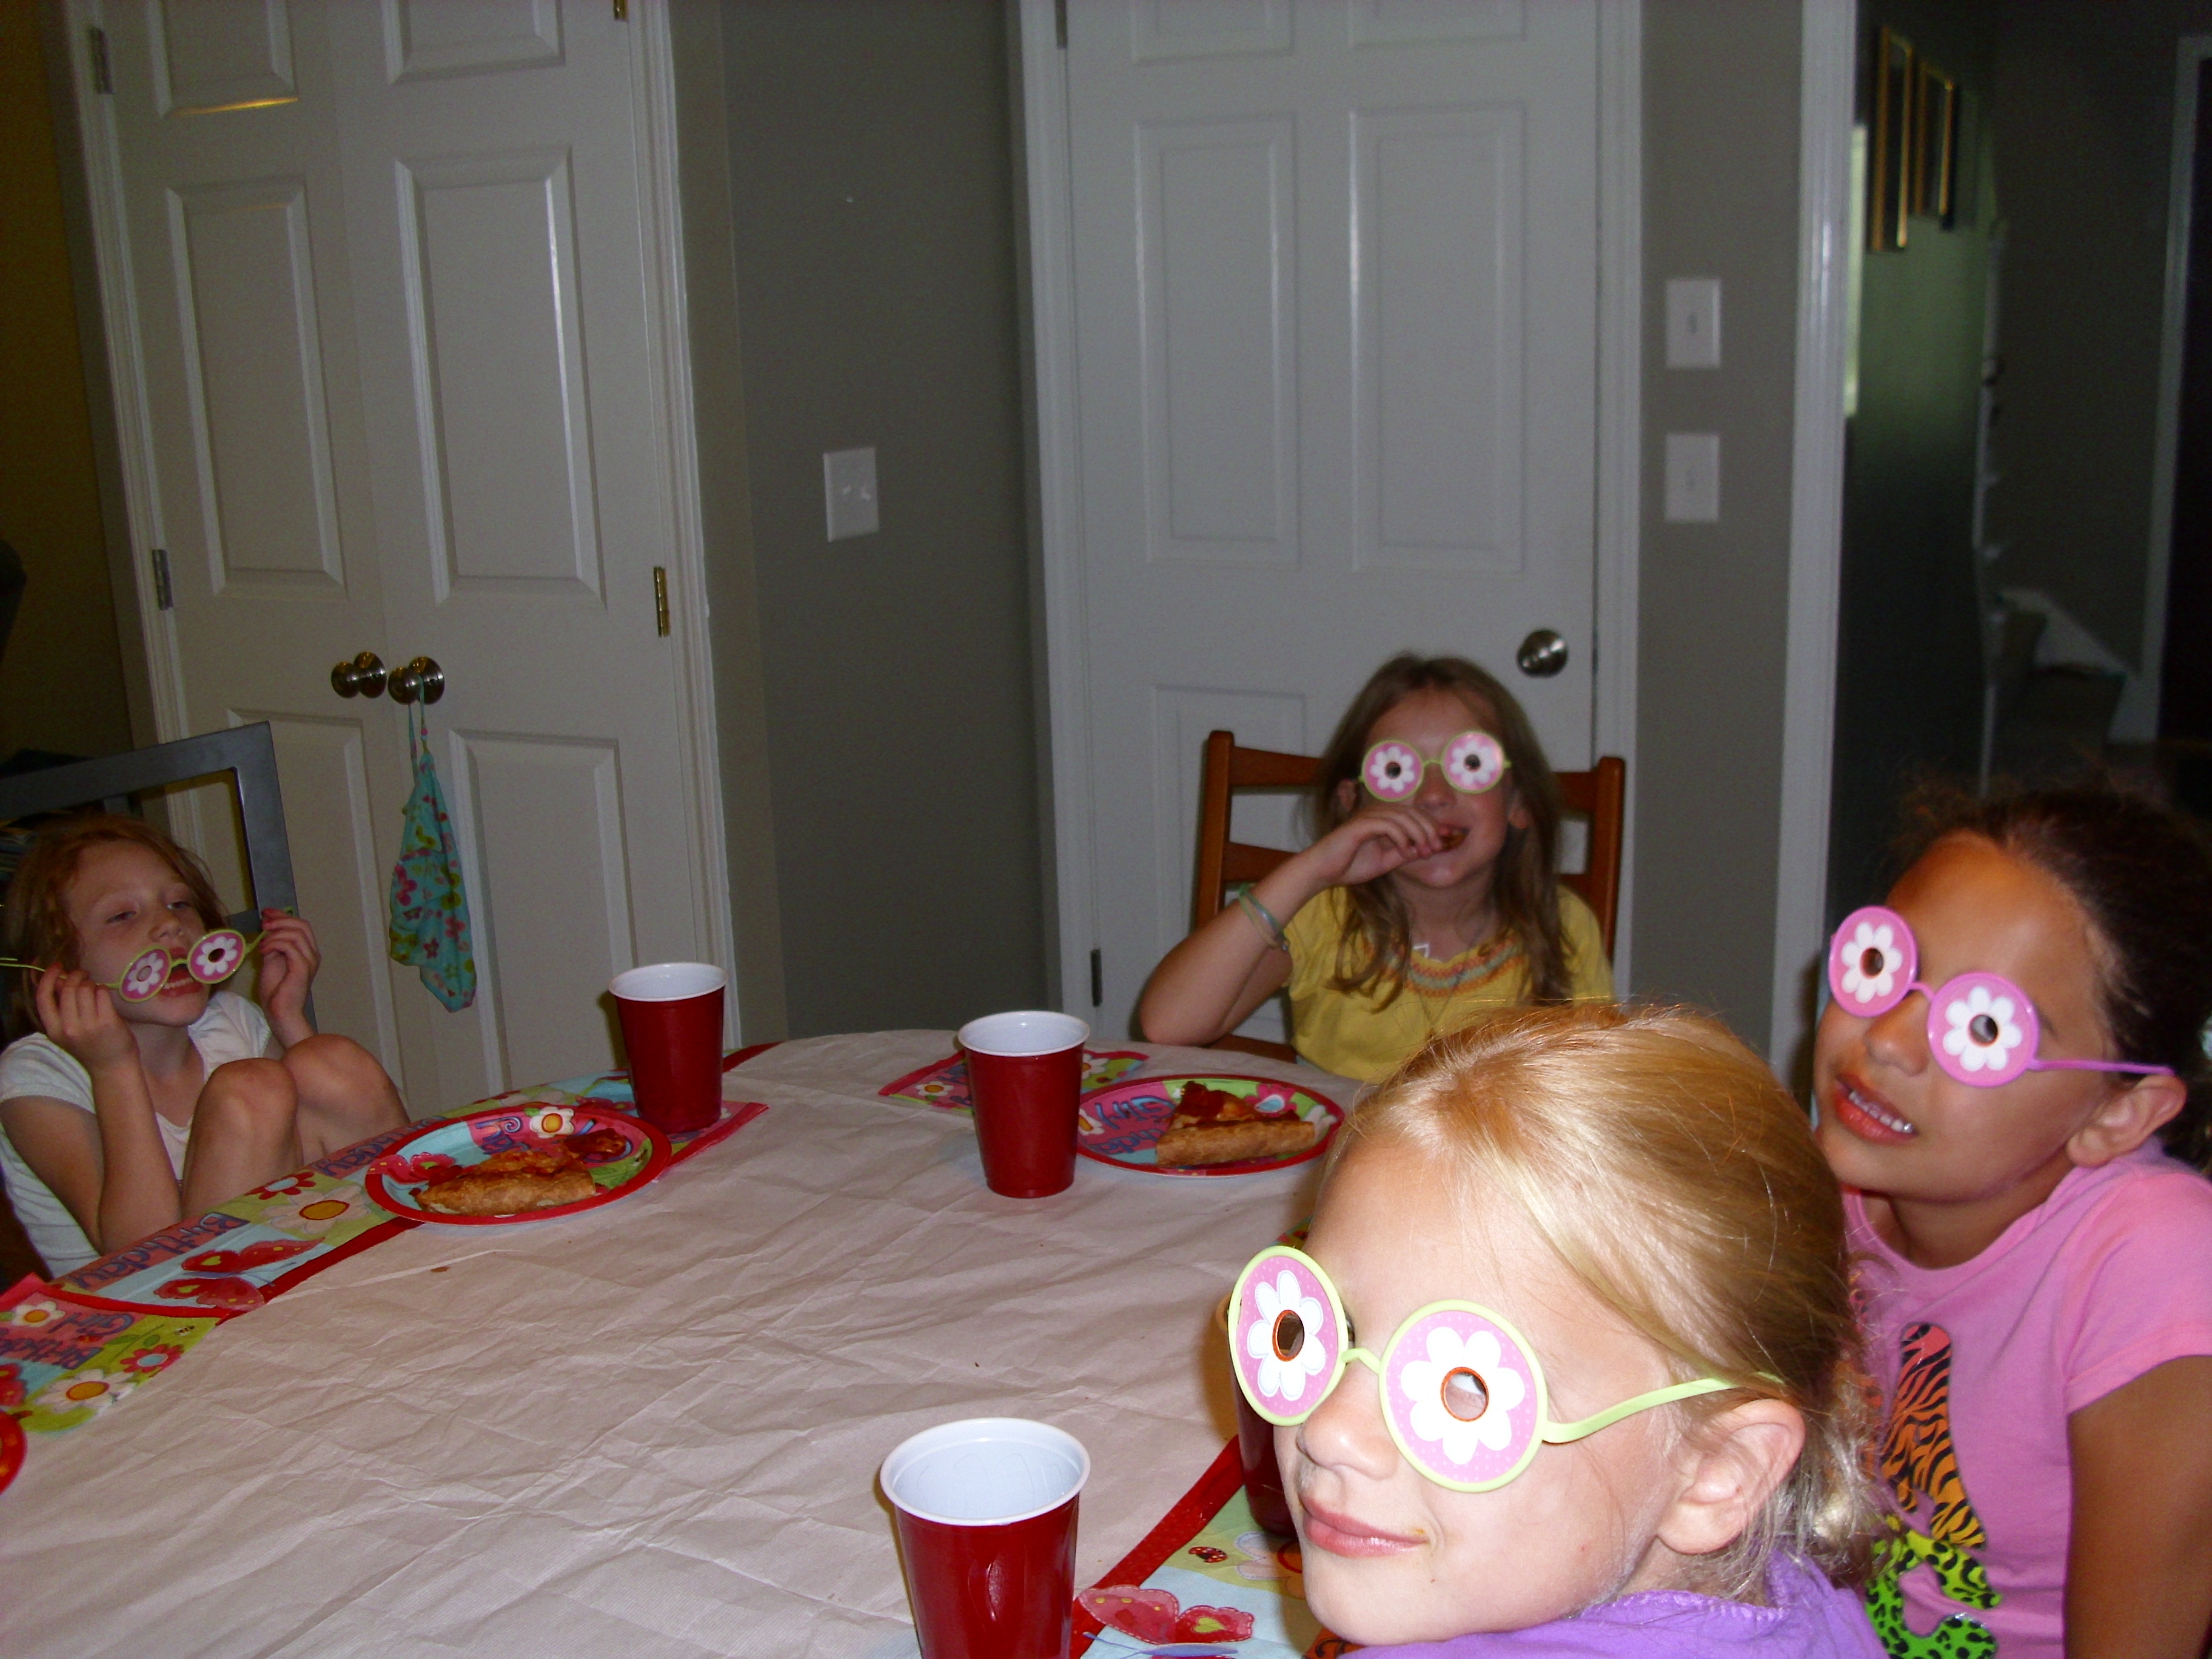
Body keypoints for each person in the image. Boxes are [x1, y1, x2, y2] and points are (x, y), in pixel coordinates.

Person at [1229, 1004, 1881, 1655]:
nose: (1329, 1430)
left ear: (1720, 1470)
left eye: (1463, 1386)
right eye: (1320, 1330)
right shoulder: (1805, 1599)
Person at [1814, 786, 2212, 1659]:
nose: (1888, 1040)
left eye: (1984, 1027)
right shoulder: (1831, 1190)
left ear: (2118, 1113)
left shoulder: (2158, 1269)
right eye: (1883, 965)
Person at [1139, 654, 1610, 1081]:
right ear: (1354, 805)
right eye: (1397, 771)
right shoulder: (1325, 917)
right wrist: (1312, 870)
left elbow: (1596, 1085)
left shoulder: (1563, 926)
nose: (1433, 795)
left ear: (1519, 802)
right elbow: (1169, 1025)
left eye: (1469, 765)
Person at [0, 814, 406, 1276]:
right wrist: (115, 1068)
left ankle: (411, 1244)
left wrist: (287, 1017)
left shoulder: (230, 1022)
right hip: (155, 1301)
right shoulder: (36, 1077)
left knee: (329, 1060)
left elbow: (324, 1134)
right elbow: (141, 1251)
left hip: (281, 1269)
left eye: (179, 903)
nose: (169, 925)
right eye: (122, 916)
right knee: (249, 1087)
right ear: (55, 969)